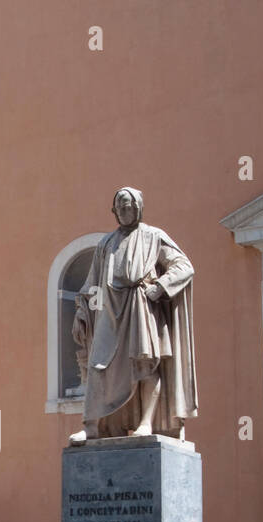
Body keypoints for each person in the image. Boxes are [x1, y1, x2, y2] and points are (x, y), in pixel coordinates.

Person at [69, 187, 197, 444]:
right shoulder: (106, 243)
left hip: (141, 305)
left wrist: (159, 287)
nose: (124, 210)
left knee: (145, 362)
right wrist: (84, 309)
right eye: (120, 206)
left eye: (129, 205)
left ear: (138, 207)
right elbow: (93, 281)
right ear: (114, 211)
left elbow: (184, 266)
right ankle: (92, 425)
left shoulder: (153, 236)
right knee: (98, 365)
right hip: (110, 312)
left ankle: (146, 422)